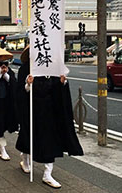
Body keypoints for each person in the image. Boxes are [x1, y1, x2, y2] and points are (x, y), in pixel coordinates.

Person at [15, 46, 84, 189]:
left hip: (49, 111)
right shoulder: (26, 69)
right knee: (28, 137)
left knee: (50, 141)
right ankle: (25, 159)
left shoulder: (52, 69)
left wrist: (62, 83)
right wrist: (28, 84)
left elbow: (58, 91)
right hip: (31, 110)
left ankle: (47, 173)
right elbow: (19, 93)